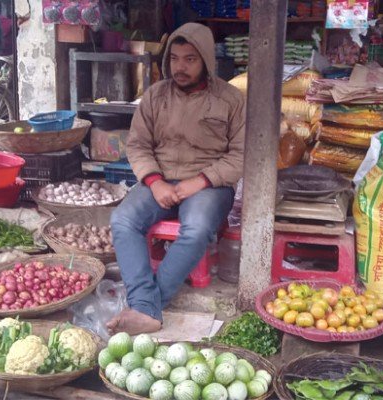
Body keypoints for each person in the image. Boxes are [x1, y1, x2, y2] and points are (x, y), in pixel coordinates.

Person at [108, 22, 245, 335]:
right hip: (160, 181)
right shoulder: (155, 96)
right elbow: (138, 145)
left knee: (196, 230)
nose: (180, 67)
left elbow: (239, 156)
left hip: (208, 186)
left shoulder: (230, 99)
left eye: (190, 59)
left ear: (206, 61)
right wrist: (155, 182)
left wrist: (200, 181)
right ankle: (147, 307)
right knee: (123, 220)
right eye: (175, 59)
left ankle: (145, 307)